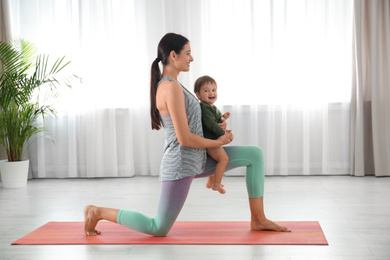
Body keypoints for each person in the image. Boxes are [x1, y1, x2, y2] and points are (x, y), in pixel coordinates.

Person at [84, 33, 290, 237]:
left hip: (198, 158)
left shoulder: (175, 86)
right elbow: (184, 138)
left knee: (255, 155)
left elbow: (193, 124)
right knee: (159, 228)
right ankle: (97, 212)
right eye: (188, 53)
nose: (192, 58)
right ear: (173, 55)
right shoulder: (170, 88)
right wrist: (218, 141)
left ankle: (258, 219)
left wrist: (218, 125)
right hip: (181, 164)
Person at [194, 75, 230, 194]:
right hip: (209, 142)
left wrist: (223, 117)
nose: (211, 93)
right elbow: (211, 125)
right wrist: (223, 134)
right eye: (206, 90)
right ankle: (216, 183)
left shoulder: (212, 107)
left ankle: (210, 181)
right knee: (223, 159)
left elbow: (217, 119)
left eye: (214, 90)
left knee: (214, 159)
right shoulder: (205, 108)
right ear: (198, 95)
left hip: (213, 139)